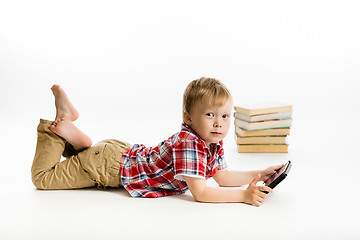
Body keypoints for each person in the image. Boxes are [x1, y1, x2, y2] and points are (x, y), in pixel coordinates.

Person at [31, 77, 283, 207]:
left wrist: (260, 174)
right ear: (188, 117)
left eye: (225, 116)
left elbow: (222, 176)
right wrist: (243, 196)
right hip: (108, 167)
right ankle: (59, 125)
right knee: (42, 178)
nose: (219, 123)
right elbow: (202, 193)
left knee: (85, 158)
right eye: (210, 115)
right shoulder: (191, 143)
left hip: (116, 154)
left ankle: (80, 141)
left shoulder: (211, 140)